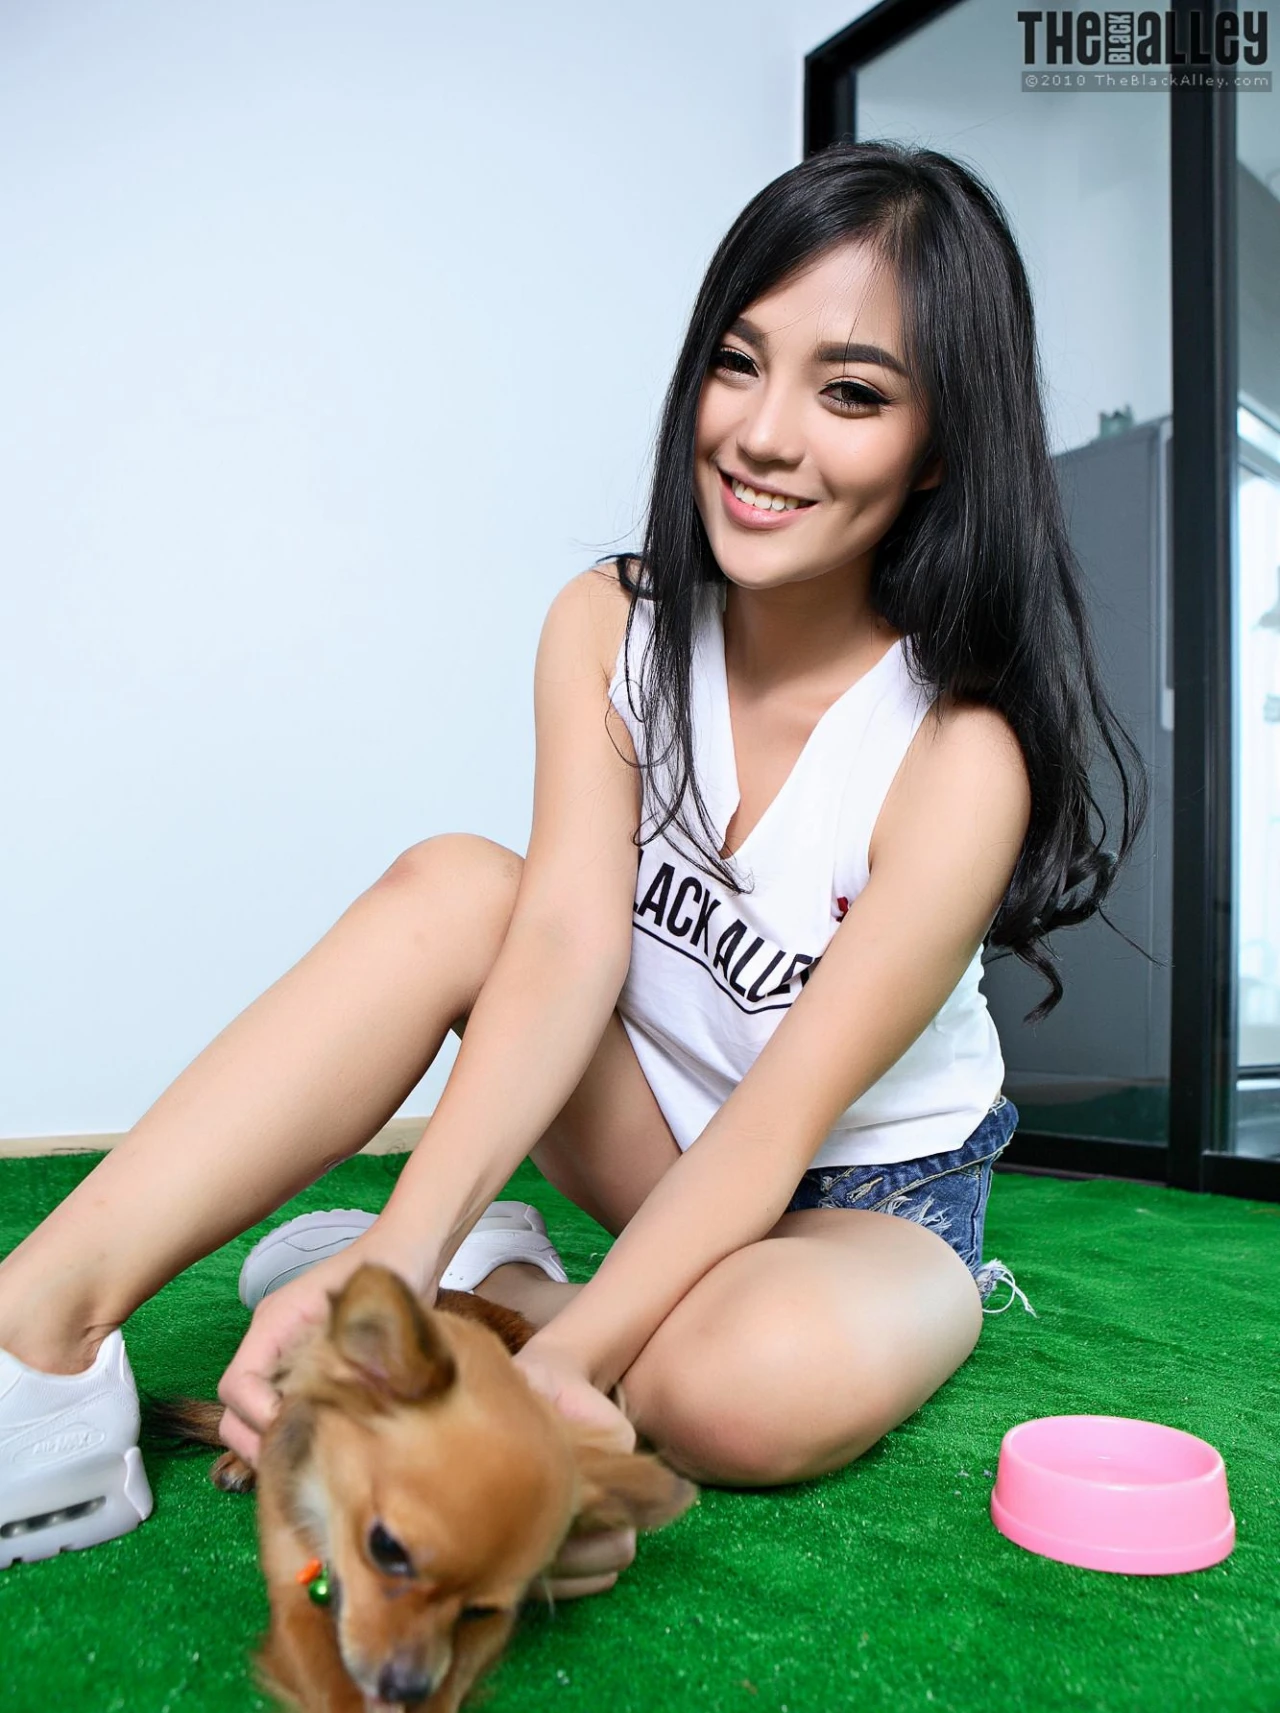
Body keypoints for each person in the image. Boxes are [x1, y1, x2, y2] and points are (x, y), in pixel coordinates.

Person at [0, 140, 1146, 1593]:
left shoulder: (960, 756)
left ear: (938, 447)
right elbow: (558, 958)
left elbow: (780, 1126)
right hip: (650, 1142)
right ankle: (36, 1341)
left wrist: (562, 1364)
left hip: (864, 1201)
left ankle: (507, 1289)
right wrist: (388, 1267)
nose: (765, 435)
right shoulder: (609, 624)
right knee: (459, 888)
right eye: (738, 363)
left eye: (851, 393)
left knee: (729, 1393)